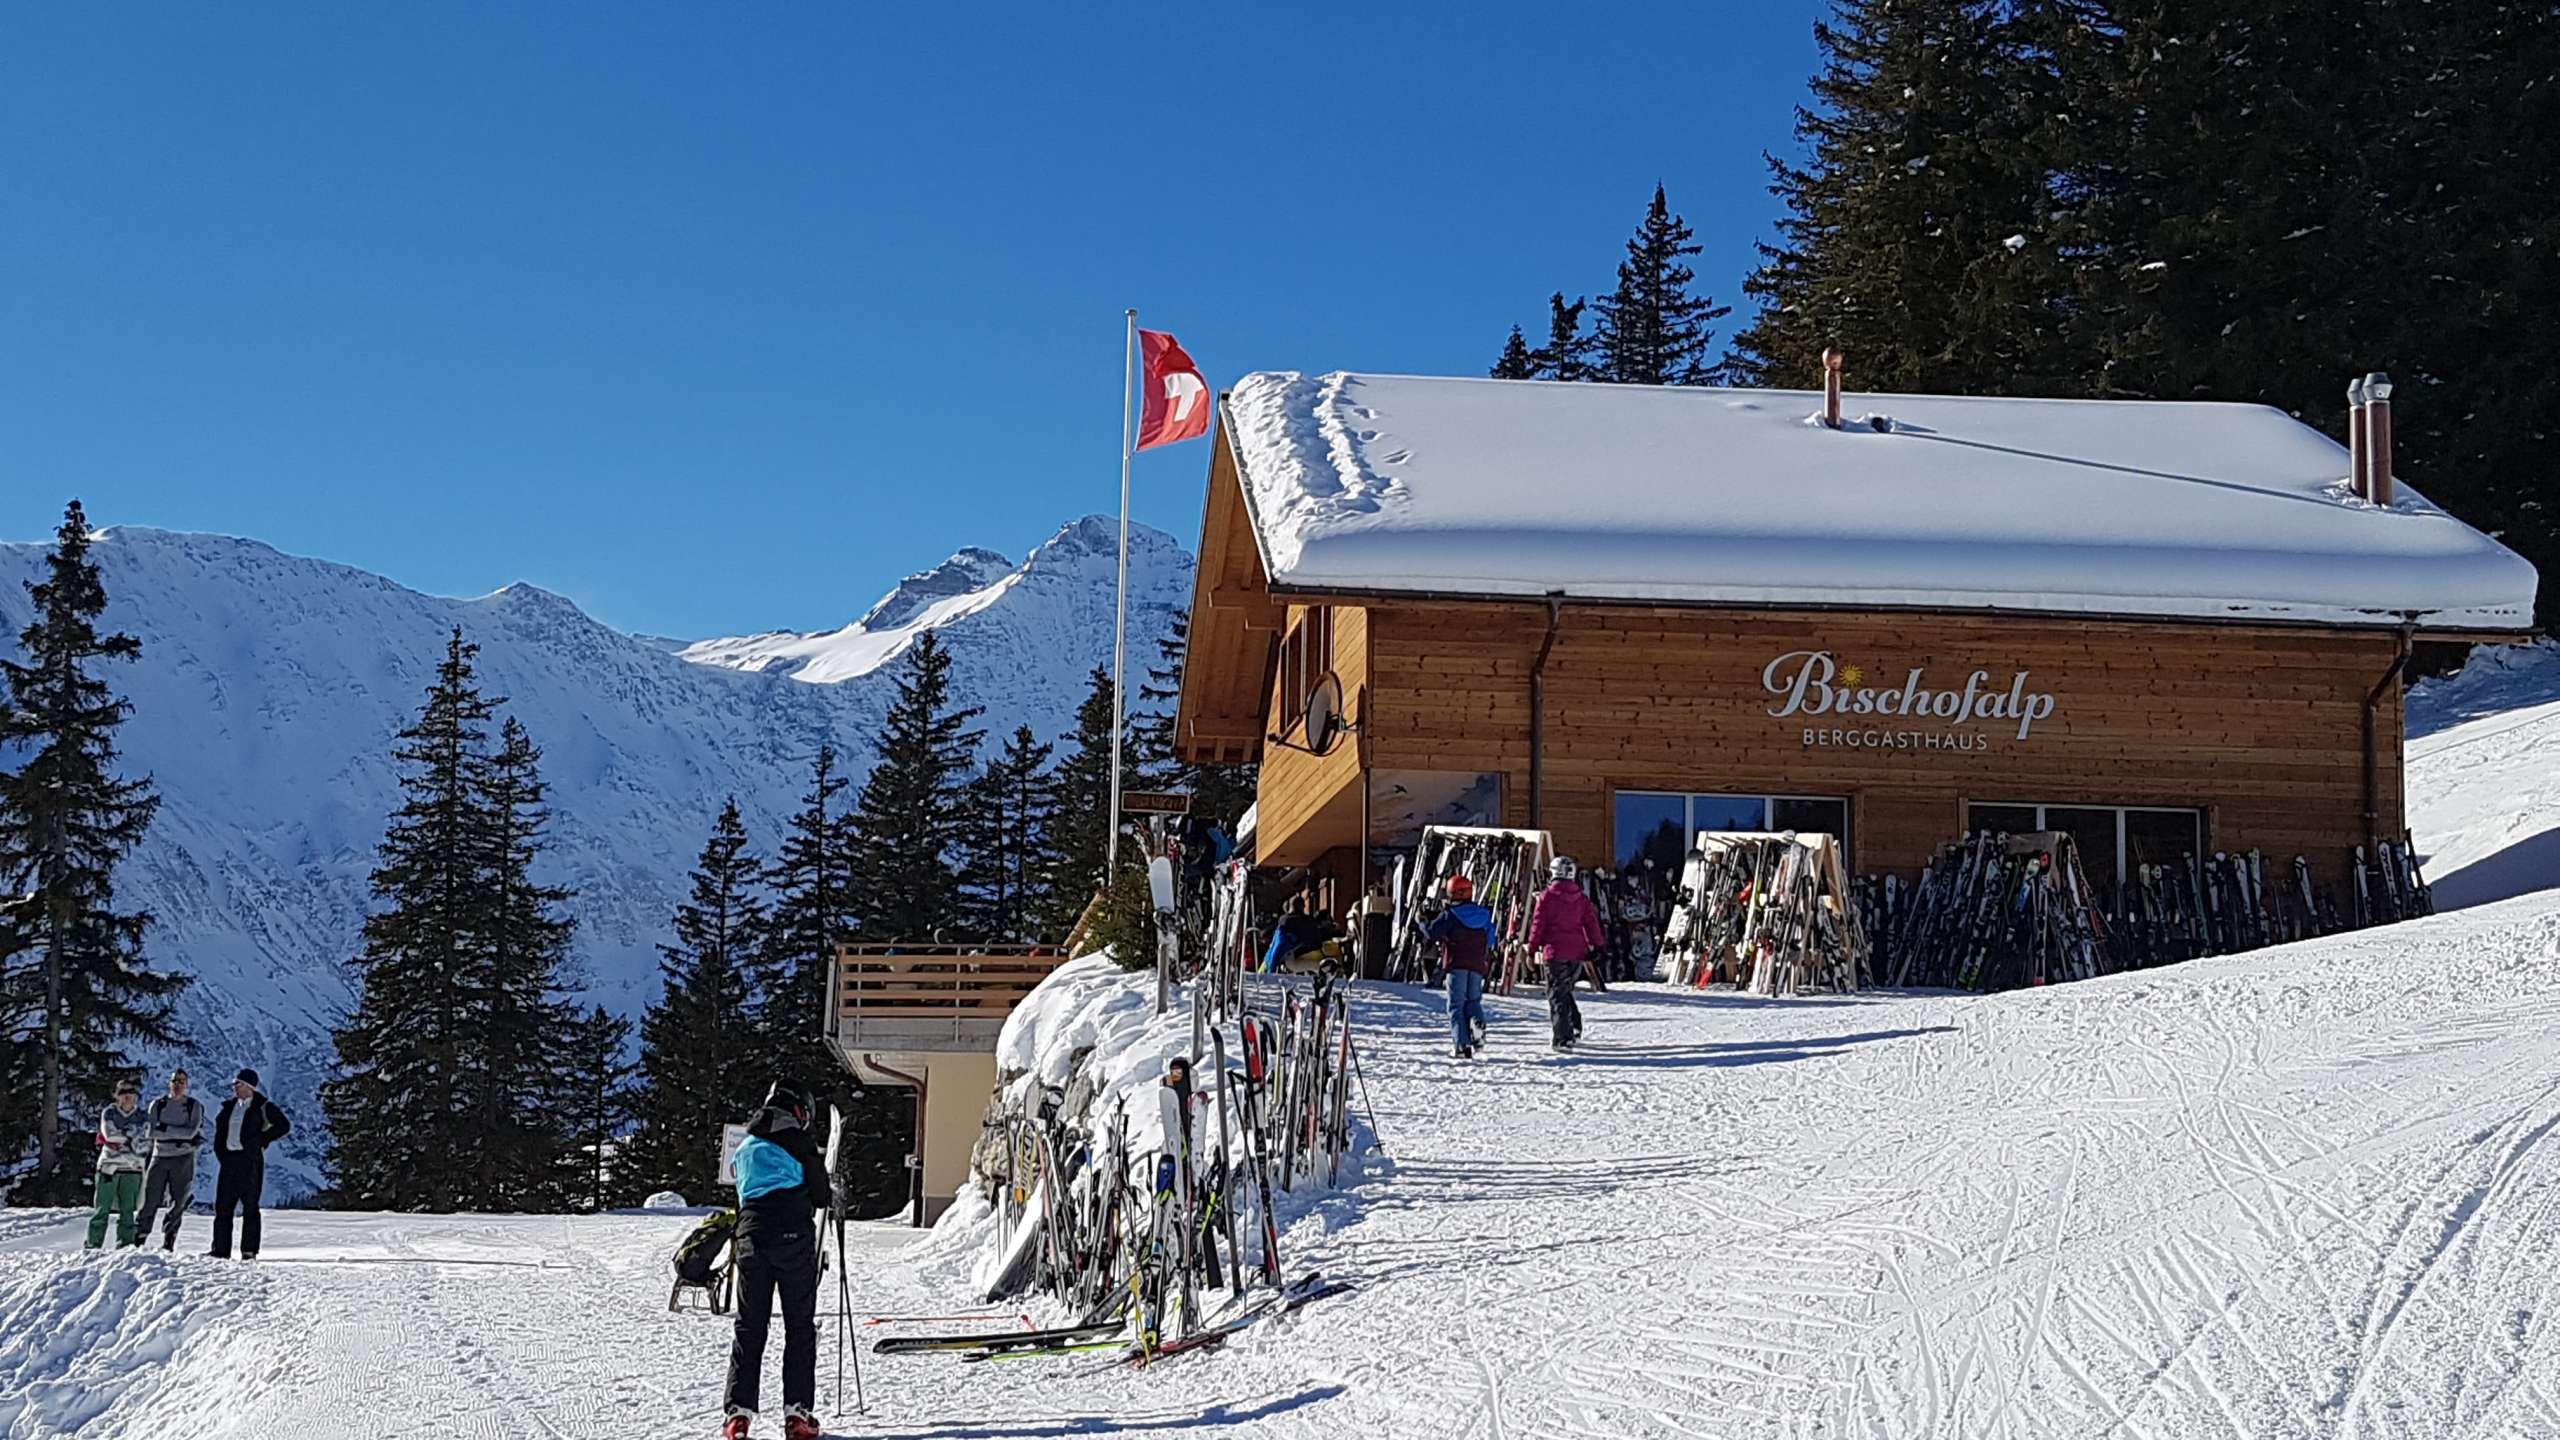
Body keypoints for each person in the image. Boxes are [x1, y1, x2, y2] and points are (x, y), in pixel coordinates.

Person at [723, 1080, 834, 1440]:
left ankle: (737, 1415)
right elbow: (820, 1197)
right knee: (799, 1327)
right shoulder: (801, 1144)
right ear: (798, 1110)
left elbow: (744, 1195)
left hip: (751, 1239)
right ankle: (797, 1413)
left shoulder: (745, 1147)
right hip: (792, 1240)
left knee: (749, 1325)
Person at [209, 1069, 290, 1260]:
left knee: (250, 1205)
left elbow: (283, 1125)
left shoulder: (262, 1106)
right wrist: (221, 1151)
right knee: (223, 1206)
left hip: (250, 1161)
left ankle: (249, 1250)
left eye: (238, 1084)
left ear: (249, 1086)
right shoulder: (229, 1107)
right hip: (229, 1159)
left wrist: (261, 1140)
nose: (235, 1087)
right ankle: (220, 1249)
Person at [1528, 855, 1606, 1052]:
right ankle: (1574, 1025)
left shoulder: (1547, 897)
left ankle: (1563, 1037)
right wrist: (1598, 946)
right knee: (1565, 990)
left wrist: (1531, 949)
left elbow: (1538, 925)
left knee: (1557, 994)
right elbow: (1591, 923)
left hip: (1555, 952)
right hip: (1577, 952)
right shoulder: (1581, 898)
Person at [1424, 875, 1496, 1058]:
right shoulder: (1484, 914)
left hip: (1457, 964)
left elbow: (1432, 933)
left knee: (1456, 1005)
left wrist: (1421, 921)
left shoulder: (1450, 915)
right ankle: (1477, 1024)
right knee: (1473, 1001)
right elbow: (1491, 939)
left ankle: (1462, 1046)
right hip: (1478, 964)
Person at [134, 1069, 206, 1251]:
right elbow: (151, 1131)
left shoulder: (194, 1106)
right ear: (169, 1083)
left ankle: (169, 1239)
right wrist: (180, 1135)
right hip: (159, 1156)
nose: (178, 1085)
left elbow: (192, 1132)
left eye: (182, 1081)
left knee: (178, 1200)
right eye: (175, 1081)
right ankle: (140, 1237)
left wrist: (165, 1129)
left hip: (183, 1159)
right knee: (150, 1199)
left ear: (187, 1085)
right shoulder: (157, 1105)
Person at [85, 1079, 150, 1249]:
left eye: (131, 1092)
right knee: (101, 1210)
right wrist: (132, 1137)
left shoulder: (144, 1116)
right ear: (116, 1096)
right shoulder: (109, 1113)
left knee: (128, 1212)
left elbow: (145, 1143)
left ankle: (125, 1247)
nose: (127, 1096)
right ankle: (93, 1245)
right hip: (108, 1168)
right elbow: (109, 1135)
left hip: (133, 1169)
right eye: (123, 1092)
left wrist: (124, 1140)